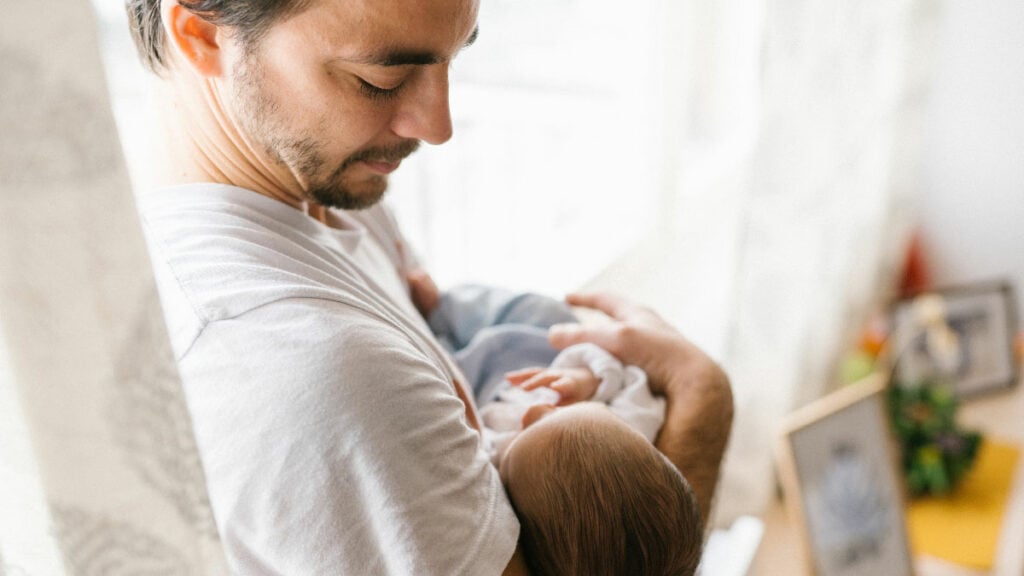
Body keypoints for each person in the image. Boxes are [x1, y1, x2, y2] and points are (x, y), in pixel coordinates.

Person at [126, 0, 734, 574]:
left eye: (450, 59)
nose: (437, 127)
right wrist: (701, 400)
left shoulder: (321, 188)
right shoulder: (308, 368)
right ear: (202, 35)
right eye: (380, 80)